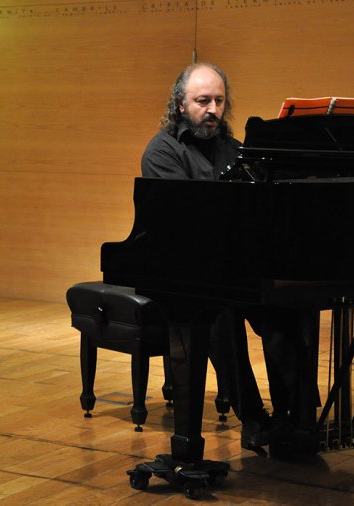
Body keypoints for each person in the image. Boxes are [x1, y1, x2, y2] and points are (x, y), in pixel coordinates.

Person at [140, 62, 319, 451]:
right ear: (180, 103)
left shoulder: (235, 149)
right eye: (203, 100)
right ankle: (253, 417)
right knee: (220, 314)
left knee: (288, 307)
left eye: (219, 100)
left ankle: (296, 418)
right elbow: (179, 226)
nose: (213, 109)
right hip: (183, 269)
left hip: (236, 263)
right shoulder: (163, 151)